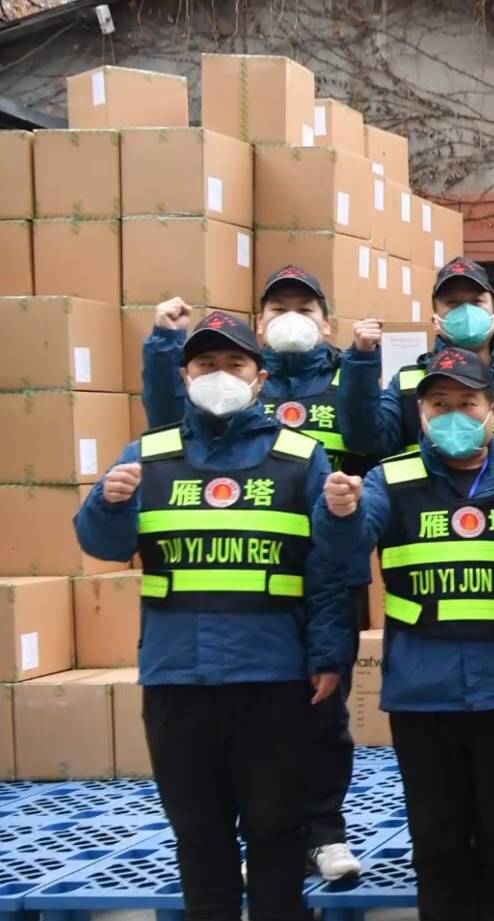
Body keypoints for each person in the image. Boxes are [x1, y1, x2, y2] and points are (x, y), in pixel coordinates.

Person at [75, 311, 349, 921]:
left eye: (233, 364)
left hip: (273, 671)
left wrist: (329, 654)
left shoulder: (299, 457)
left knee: (275, 819)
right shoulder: (150, 453)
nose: (218, 377)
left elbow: (327, 569)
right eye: (204, 365)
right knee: (196, 822)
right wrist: (108, 503)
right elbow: (102, 543)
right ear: (184, 375)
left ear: (259, 377)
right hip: (178, 672)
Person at [315, 346, 494, 921]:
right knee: (437, 830)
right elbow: (347, 553)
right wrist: (339, 513)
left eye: (466, 404)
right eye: (439, 404)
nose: (453, 414)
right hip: (420, 685)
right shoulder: (389, 481)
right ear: (420, 413)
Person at [145, 268, 371, 885]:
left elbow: (375, 438)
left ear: (327, 321)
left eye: (305, 307)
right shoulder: (231, 384)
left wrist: (363, 361)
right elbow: (167, 424)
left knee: (323, 709)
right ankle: (267, 840)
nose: (292, 317)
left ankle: (323, 830)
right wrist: (165, 345)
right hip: (243, 568)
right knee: (259, 726)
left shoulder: (347, 379)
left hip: (327, 565)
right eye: (278, 307)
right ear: (261, 324)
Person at [338, 257, 494, 461]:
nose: (467, 312)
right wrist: (361, 360)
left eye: (476, 302)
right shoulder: (408, 384)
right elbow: (364, 440)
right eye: (454, 303)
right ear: (435, 322)